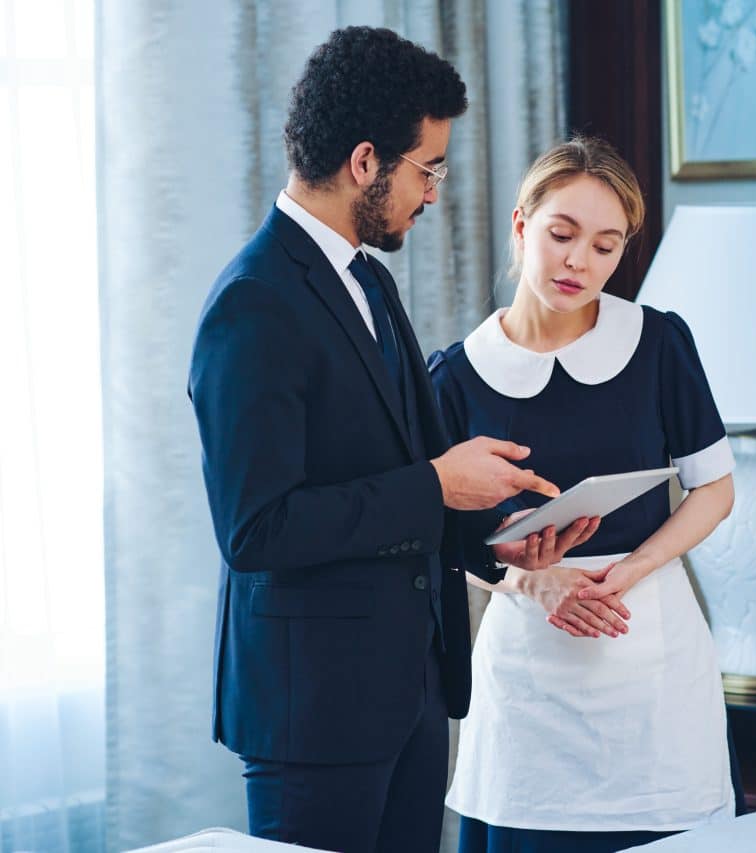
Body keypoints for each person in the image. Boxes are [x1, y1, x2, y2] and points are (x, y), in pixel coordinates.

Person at [188, 27, 592, 853]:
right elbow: (255, 529)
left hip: (407, 688)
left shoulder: (367, 275)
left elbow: (402, 468)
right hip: (315, 711)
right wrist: (441, 486)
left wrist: (498, 543)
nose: (436, 192)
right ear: (365, 161)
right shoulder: (252, 304)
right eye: (428, 169)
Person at [430, 137, 739, 852]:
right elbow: (446, 537)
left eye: (605, 246)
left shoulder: (658, 343)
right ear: (520, 225)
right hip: (529, 676)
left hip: (650, 655)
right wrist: (536, 582)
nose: (580, 262)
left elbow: (714, 488)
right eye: (562, 235)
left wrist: (632, 569)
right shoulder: (454, 376)